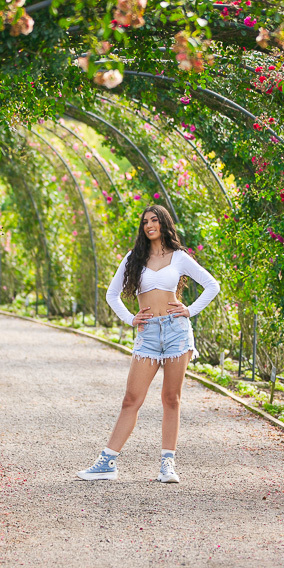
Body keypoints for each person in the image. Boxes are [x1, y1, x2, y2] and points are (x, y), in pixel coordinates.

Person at [77, 205, 220, 484]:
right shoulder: (134, 258)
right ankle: (107, 463)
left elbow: (212, 285)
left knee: (171, 399)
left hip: (177, 332)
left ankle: (167, 465)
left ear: (164, 223)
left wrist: (189, 310)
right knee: (131, 399)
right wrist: (131, 319)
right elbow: (111, 294)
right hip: (148, 334)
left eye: (154, 220)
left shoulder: (179, 257)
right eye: (145, 222)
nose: (149, 225)